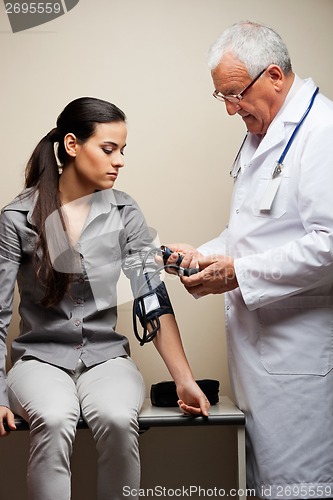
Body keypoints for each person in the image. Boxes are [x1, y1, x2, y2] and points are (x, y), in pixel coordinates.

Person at [0, 96, 210, 500]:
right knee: (56, 416)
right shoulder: (17, 218)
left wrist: (185, 380)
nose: (120, 161)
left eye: (122, 151)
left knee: (117, 417)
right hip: (38, 359)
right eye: (109, 149)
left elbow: (152, 298)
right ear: (73, 145)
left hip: (105, 357)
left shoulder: (125, 211)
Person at [165, 21, 333, 499]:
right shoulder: (262, 134)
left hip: (299, 356)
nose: (230, 108)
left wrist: (237, 273)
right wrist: (203, 256)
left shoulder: (322, 133)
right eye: (222, 97)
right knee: (265, 484)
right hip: (261, 359)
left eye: (235, 94)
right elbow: (253, 233)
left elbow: (329, 242)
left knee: (303, 488)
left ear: (274, 75)